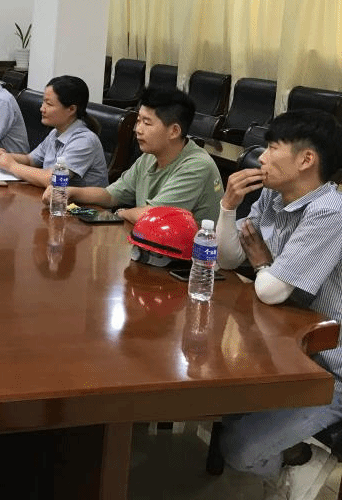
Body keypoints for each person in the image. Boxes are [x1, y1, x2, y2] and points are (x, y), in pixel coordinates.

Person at [217, 110, 342, 499]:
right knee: (218, 404)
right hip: (282, 344)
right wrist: (228, 206)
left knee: (238, 449)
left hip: (329, 368)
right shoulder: (273, 194)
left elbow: (270, 290)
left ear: (306, 160)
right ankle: (295, 453)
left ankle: (303, 458)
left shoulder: (330, 211)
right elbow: (227, 257)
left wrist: (262, 264)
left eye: (273, 148)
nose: (262, 157)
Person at [43, 86, 223, 224]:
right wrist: (69, 192)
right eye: (138, 121)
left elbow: (154, 215)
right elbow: (111, 195)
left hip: (189, 257)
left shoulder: (197, 165)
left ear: (174, 131)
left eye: (147, 123)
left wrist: (121, 214)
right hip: (150, 246)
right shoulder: (149, 156)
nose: (138, 129)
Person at [0, 75, 108, 188]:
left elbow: (52, 179)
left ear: (71, 109)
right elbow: (30, 160)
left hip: (77, 202)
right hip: (53, 198)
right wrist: (5, 156)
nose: (42, 108)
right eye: (43, 102)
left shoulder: (84, 141)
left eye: (49, 104)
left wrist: (11, 166)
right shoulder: (55, 132)